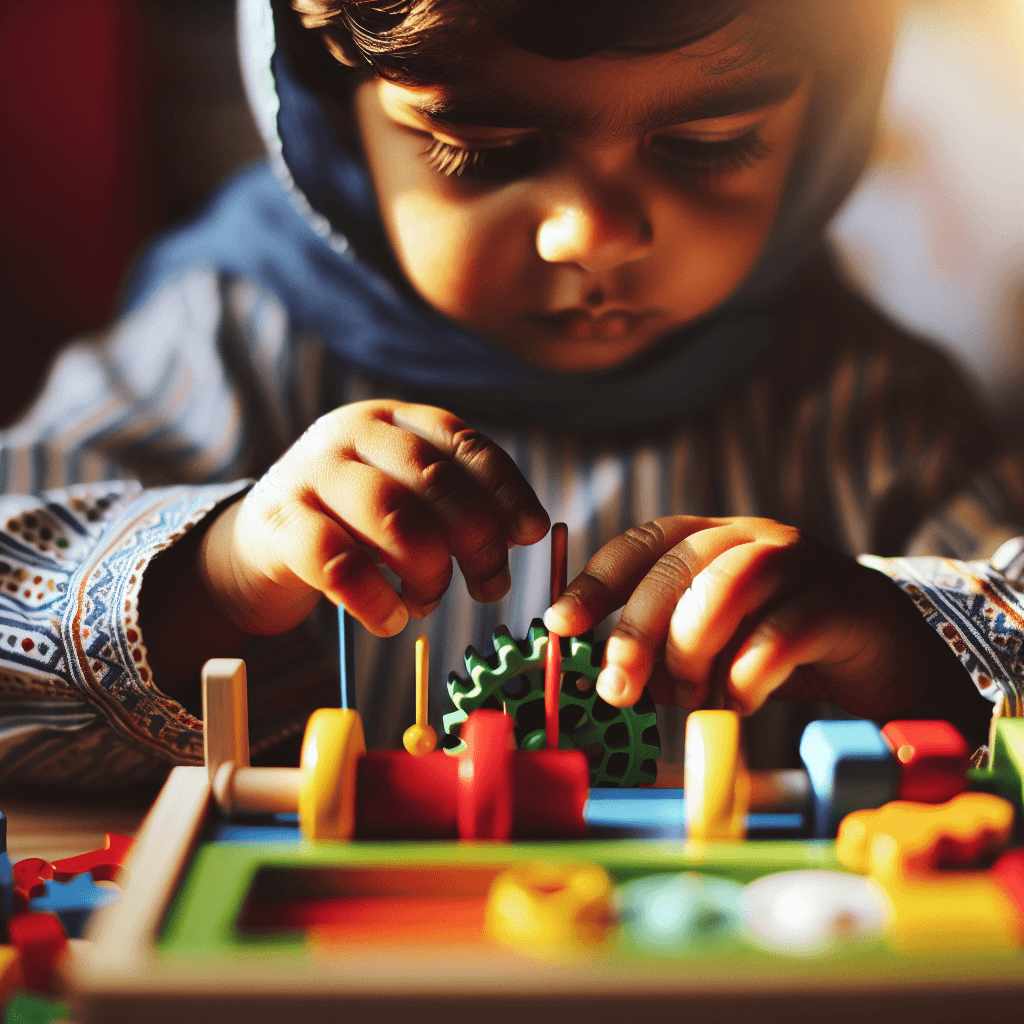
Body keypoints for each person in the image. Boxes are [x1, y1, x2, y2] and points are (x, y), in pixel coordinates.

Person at [1, 0, 1021, 786]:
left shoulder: (869, 407)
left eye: (710, 145)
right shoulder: (219, 345)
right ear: (325, 110)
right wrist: (213, 576)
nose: (591, 233)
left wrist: (904, 643)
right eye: (478, 150)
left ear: (829, 115)